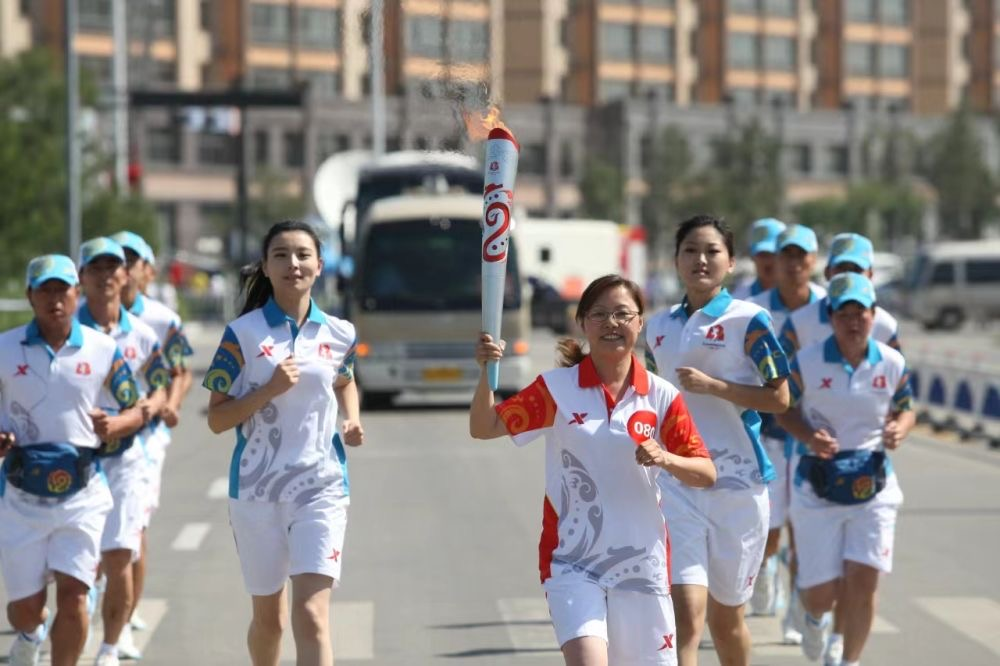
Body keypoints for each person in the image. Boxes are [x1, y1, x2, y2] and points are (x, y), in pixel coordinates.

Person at [471, 274, 716, 666]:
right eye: (599, 314)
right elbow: (485, 427)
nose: (611, 323)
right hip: (574, 560)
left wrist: (666, 458)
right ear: (582, 323)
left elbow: (706, 472)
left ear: (640, 322)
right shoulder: (556, 389)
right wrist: (487, 372)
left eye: (622, 314)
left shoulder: (661, 395)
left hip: (642, 564)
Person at [204, 220, 364, 666]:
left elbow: (344, 380)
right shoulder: (242, 334)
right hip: (258, 491)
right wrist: (268, 390)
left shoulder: (340, 333)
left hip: (321, 487)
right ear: (266, 267)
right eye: (281, 255)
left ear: (319, 265)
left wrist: (351, 419)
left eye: (302, 255)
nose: (293, 263)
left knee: (311, 616)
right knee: (269, 622)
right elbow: (216, 419)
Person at [645, 215, 791, 666]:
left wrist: (716, 387)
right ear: (676, 260)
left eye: (712, 251)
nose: (701, 260)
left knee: (726, 622)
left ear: (730, 262)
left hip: (738, 488)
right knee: (686, 616)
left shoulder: (749, 321)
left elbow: (780, 398)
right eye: (690, 250)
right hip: (678, 484)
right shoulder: (658, 327)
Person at [0, 254, 141, 666]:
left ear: (76, 293)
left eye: (62, 289)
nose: (54, 299)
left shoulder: (103, 349)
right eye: (45, 290)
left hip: (82, 493)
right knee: (25, 609)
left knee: (75, 595)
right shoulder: (4, 348)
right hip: (21, 496)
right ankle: (30, 632)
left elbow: (134, 408)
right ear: (30, 295)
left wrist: (116, 425)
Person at [776, 273, 914, 666]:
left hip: (873, 484)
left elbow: (906, 408)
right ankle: (811, 615)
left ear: (874, 315)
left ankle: (849, 661)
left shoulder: (891, 362)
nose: (853, 322)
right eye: (844, 314)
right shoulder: (806, 361)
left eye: (861, 313)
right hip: (817, 484)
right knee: (823, 595)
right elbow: (783, 409)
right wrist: (809, 436)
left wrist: (899, 429)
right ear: (831, 317)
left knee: (864, 579)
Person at [76, 238, 172, 666]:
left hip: (127, 457)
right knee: (77, 565)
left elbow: (163, 381)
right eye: (96, 268)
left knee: (119, 554)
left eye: (113, 267)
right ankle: (46, 625)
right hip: (75, 462)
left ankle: (110, 647)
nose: (106, 276)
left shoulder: (145, 333)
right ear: (82, 277)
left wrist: (150, 408)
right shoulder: (66, 329)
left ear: (126, 274)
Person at [110, 230, 192, 647]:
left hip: (145, 436)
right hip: (94, 439)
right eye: (114, 261)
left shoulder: (161, 320)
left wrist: (170, 405)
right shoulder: (82, 316)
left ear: (148, 271)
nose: (121, 269)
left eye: (130, 261)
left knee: (134, 523)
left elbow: (180, 371)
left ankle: (121, 618)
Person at [746, 223, 826, 637]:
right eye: (787, 256)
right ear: (775, 261)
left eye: (801, 256)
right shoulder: (753, 308)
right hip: (768, 434)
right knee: (771, 527)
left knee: (806, 531)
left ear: (813, 261)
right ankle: (764, 570)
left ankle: (797, 609)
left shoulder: (830, 308)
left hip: (816, 436)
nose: (794, 264)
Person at [781, 233, 901, 357]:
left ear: (870, 274)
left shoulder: (886, 327)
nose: (848, 277)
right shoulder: (798, 324)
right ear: (827, 273)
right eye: (841, 268)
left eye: (856, 269)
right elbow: (780, 367)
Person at [730, 218, 786, 300]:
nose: (768, 262)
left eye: (773, 254)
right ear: (752, 256)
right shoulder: (739, 298)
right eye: (762, 254)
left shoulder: (802, 298)